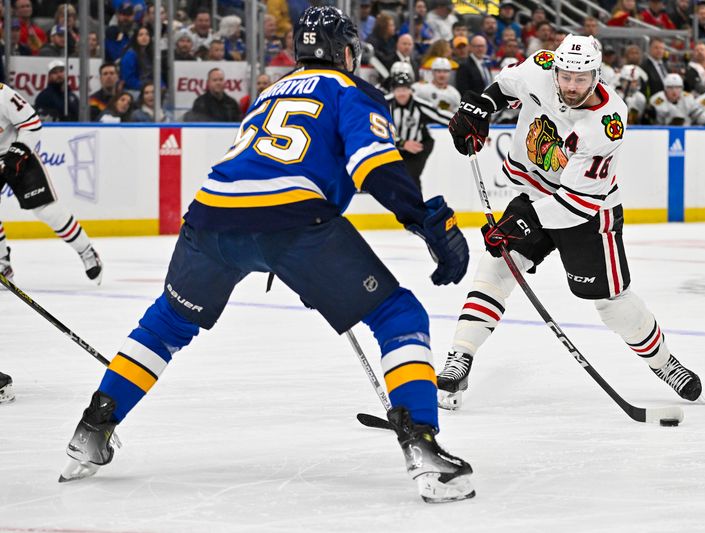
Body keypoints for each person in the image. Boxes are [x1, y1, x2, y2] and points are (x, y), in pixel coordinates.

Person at [59, 6, 473, 504]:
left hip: (209, 218)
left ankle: (92, 429)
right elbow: (375, 167)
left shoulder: (266, 94)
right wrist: (424, 221)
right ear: (346, 51)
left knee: (164, 325)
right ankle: (424, 447)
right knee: (398, 314)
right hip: (293, 224)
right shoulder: (351, 92)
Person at [441, 35, 703, 410]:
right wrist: (481, 107)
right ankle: (460, 357)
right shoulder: (541, 68)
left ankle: (664, 364)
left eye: (582, 79)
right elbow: (505, 86)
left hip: (589, 213)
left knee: (611, 304)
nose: (571, 86)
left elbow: (577, 203)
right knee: (497, 266)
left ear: (597, 75)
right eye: (566, 76)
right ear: (556, 69)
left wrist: (520, 227)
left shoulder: (608, 121)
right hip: (535, 193)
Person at [0, 83, 103, 284]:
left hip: (17, 153)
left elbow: (31, 123)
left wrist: (17, 153)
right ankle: (3, 264)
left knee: (47, 210)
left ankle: (86, 251)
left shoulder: (2, 94)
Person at [386, 69, 451, 190]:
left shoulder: (420, 105)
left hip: (418, 146)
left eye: (405, 89)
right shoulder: (384, 105)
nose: (402, 93)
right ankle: (402, 207)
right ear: (393, 91)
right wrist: (402, 143)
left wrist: (464, 123)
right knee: (394, 179)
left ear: (411, 90)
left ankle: (416, 208)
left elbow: (440, 116)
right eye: (398, 90)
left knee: (411, 177)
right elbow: (378, 129)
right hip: (393, 147)